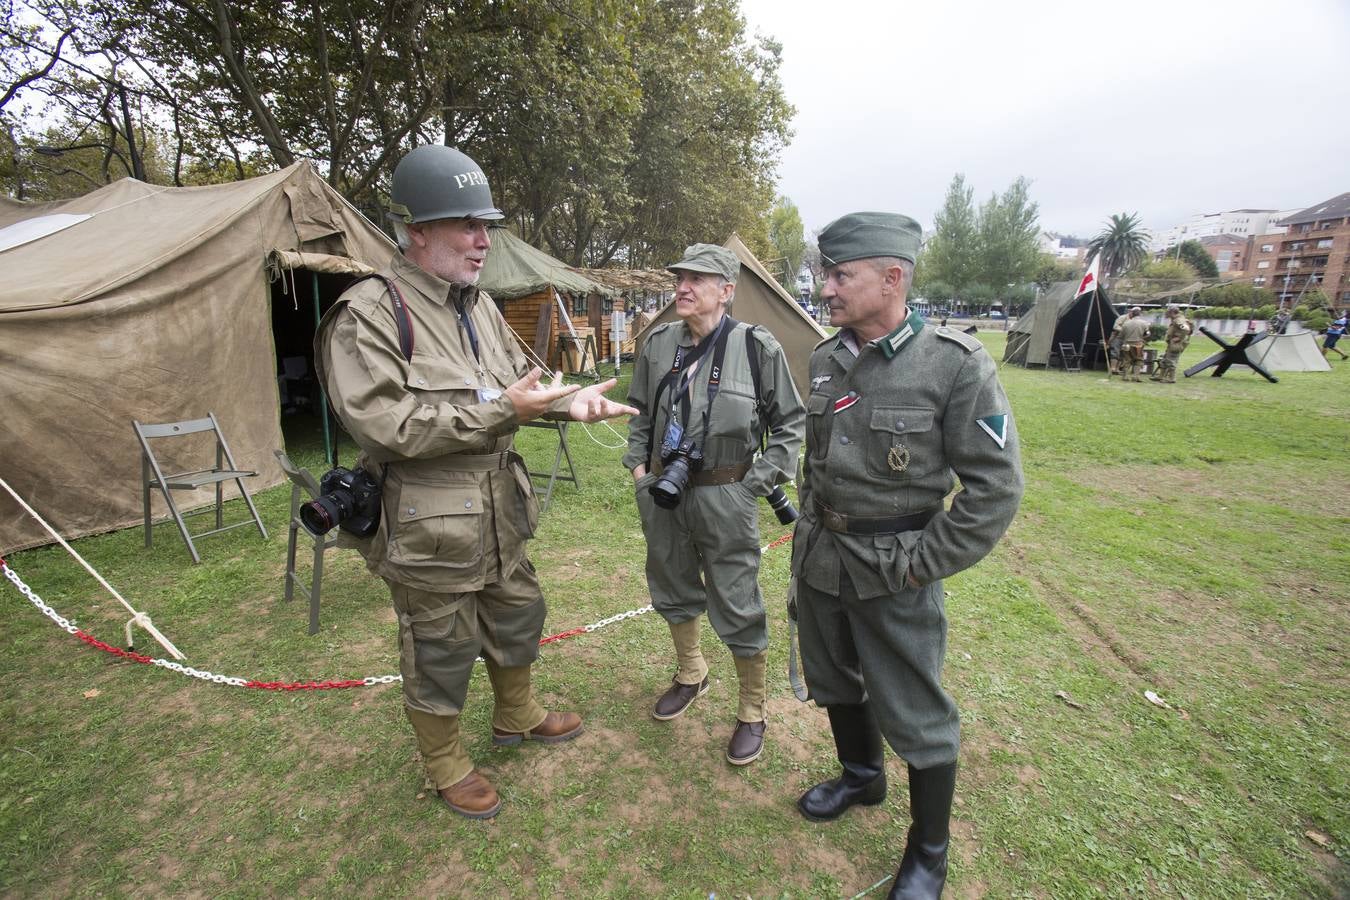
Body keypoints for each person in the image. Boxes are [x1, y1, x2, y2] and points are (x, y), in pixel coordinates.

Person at [314, 144, 637, 820]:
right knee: (439, 643)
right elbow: (385, 427)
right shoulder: (369, 313)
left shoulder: (481, 306)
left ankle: (517, 714)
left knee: (518, 612)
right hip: (430, 520)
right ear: (416, 230)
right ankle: (445, 763)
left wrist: (563, 404)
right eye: (467, 224)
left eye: (486, 225)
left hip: (499, 507)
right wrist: (501, 411)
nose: (483, 240)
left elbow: (513, 388)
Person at [790, 212, 1023, 899]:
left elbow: (996, 487)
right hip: (823, 556)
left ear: (892, 278)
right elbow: (819, 462)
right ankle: (862, 777)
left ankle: (929, 852)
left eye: (840, 275)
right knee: (834, 679)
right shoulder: (827, 357)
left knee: (917, 713)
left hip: (896, 572)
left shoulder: (954, 365)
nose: (825, 288)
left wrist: (922, 562)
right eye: (823, 274)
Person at [624, 244, 804, 766]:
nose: (683, 287)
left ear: (726, 291)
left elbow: (790, 424)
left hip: (727, 492)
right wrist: (640, 473)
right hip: (662, 490)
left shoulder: (756, 348)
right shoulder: (657, 344)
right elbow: (637, 414)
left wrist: (756, 483)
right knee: (672, 583)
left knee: (737, 596)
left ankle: (752, 709)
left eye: (698, 279)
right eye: (680, 277)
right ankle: (691, 672)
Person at [1151, 304, 1191, 383]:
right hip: (1172, 343)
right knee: (1166, 359)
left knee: (1171, 360)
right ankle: (1161, 376)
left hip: (1176, 344)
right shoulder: (1175, 319)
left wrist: (1179, 338)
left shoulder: (1178, 320)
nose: (1166, 313)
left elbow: (1186, 329)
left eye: (1168, 312)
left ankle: (1171, 378)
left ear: (1172, 312)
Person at [1117, 306, 1150, 382]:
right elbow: (1148, 333)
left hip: (1127, 344)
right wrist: (1142, 337)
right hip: (1138, 344)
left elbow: (1121, 336)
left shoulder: (1126, 323)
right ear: (1140, 314)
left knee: (1126, 360)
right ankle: (1135, 376)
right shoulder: (1144, 323)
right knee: (1139, 360)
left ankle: (1125, 376)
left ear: (1132, 314)